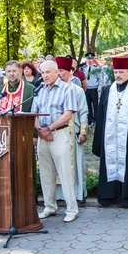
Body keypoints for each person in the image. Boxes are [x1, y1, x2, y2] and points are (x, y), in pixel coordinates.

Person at [92, 56, 128, 206]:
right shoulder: (106, 91)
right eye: (116, 72)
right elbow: (101, 116)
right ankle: (108, 195)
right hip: (110, 137)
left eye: (121, 72)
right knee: (110, 159)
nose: (118, 75)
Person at [31, 60, 79, 222]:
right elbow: (33, 114)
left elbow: (68, 114)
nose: (44, 76)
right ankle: (50, 206)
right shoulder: (39, 90)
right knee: (45, 173)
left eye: (48, 72)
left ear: (57, 72)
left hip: (58, 134)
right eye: (42, 72)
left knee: (64, 173)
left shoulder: (66, 89)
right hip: (43, 136)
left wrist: (49, 129)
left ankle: (71, 209)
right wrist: (41, 131)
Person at [55, 57, 89, 202]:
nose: (59, 74)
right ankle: (59, 195)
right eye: (58, 71)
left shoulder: (77, 90)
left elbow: (83, 111)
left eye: (61, 71)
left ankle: (76, 194)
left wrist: (83, 132)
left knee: (75, 163)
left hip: (72, 131)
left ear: (69, 72)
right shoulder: (53, 89)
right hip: (56, 132)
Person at [82, 53, 100, 126]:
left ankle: (96, 119)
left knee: (95, 104)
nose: (89, 60)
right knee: (88, 104)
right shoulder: (84, 68)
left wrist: (99, 87)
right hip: (87, 88)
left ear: (93, 59)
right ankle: (90, 119)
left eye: (91, 59)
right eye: (88, 59)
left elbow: (99, 79)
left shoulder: (96, 68)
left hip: (94, 88)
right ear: (86, 59)